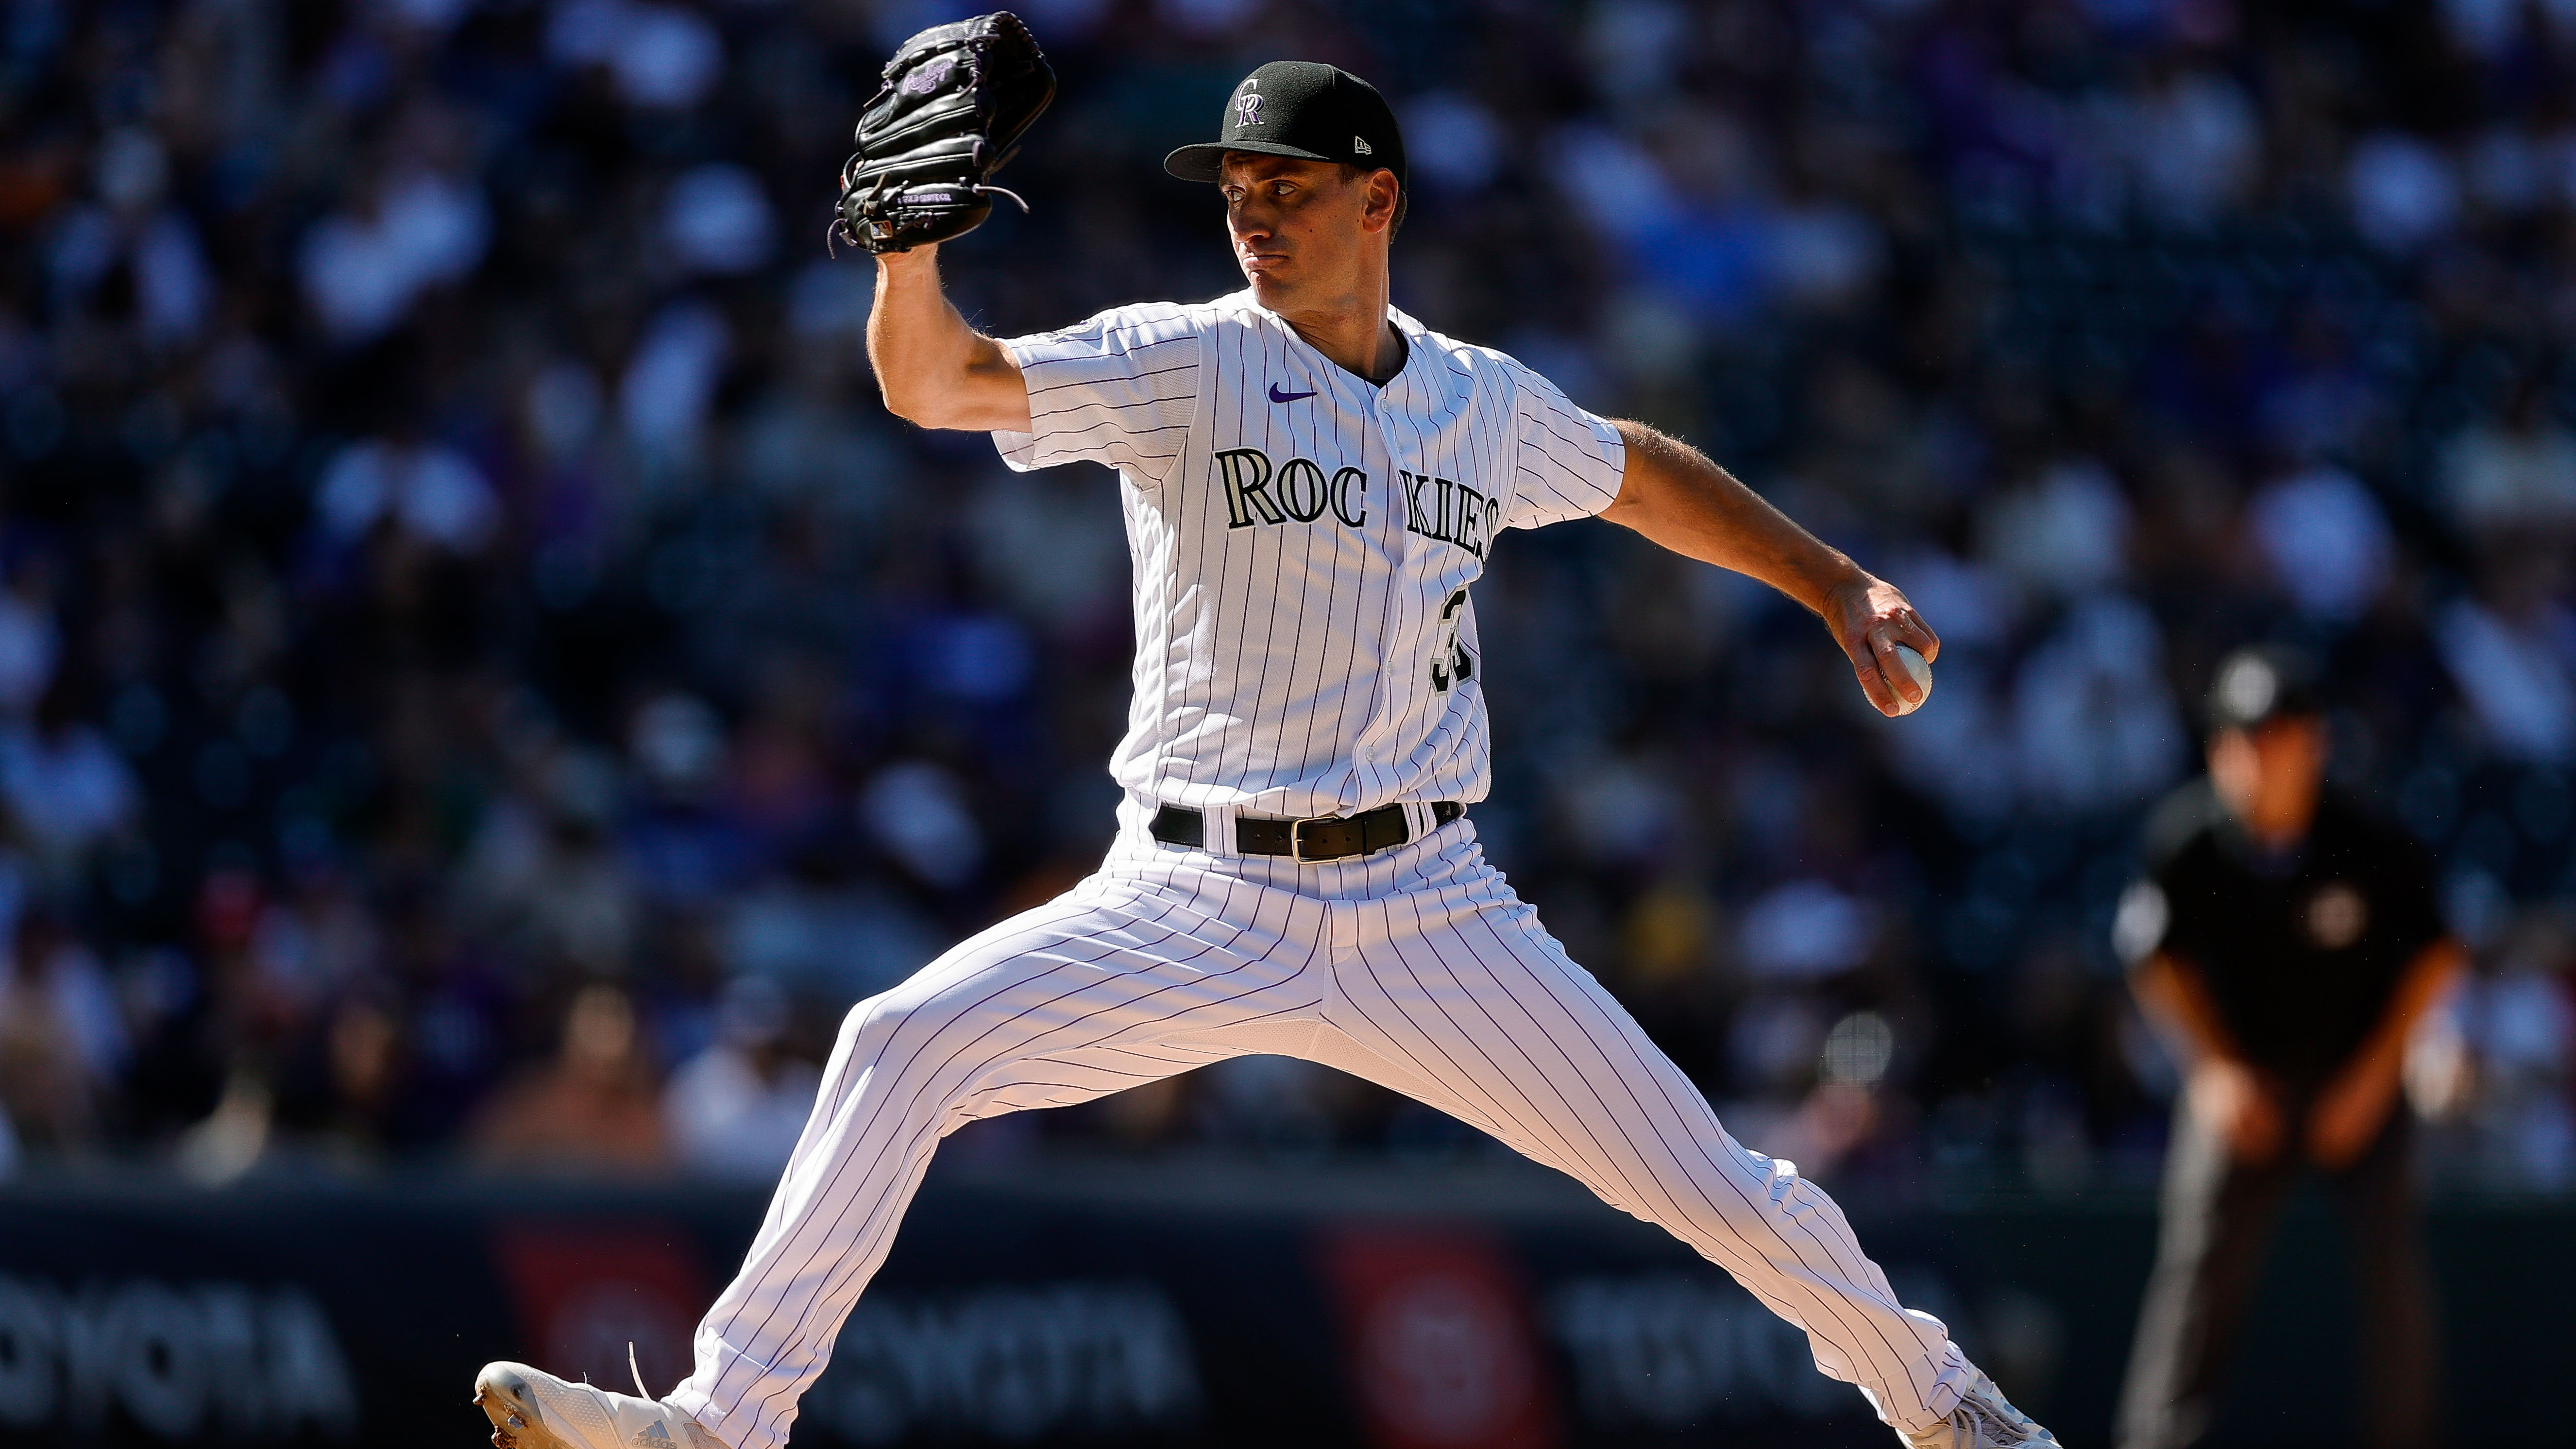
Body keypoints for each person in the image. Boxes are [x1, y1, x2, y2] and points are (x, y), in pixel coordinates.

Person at [474, 58, 2058, 1449]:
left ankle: (1947, 1409)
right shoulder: (1188, 358)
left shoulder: (1478, 404)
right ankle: (720, 1423)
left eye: (1286, 186)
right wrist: (905, 252)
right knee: (897, 1043)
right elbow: (933, 382)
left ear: (1378, 200)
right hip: (1191, 891)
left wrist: (1831, 582)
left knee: (1710, 1181)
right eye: (1234, 188)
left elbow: (1633, 468)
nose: (1251, 214)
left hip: (1430, 907)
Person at [2113, 647, 2462, 1449]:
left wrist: (2374, 1083)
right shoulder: (2190, 840)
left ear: (2317, 742)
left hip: (2357, 1076)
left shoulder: (2367, 837)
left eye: (2276, 735)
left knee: (2393, 1275)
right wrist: (2216, 1071)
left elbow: (2437, 957)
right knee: (2198, 1267)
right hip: (2247, 1083)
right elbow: (2153, 959)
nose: (2257, 756)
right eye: (2239, 738)